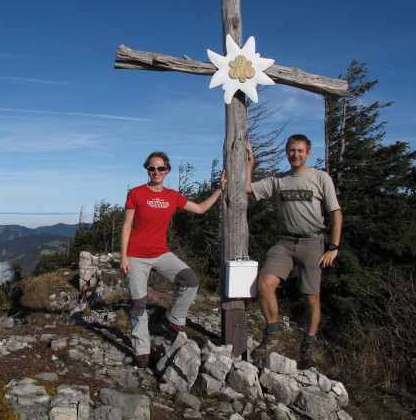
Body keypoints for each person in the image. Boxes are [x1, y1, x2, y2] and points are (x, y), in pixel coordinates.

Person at [120, 151, 227, 368]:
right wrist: (123, 257)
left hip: (161, 253)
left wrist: (219, 189)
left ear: (167, 171)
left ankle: (174, 319)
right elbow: (126, 225)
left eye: (160, 168)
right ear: (147, 170)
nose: (156, 172)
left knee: (190, 280)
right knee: (139, 304)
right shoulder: (136, 193)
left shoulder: (172, 196)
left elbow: (199, 209)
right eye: (152, 168)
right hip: (136, 256)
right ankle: (142, 351)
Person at [247, 134, 342, 370]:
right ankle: (273, 334)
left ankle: (308, 347)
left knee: (311, 297)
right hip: (284, 242)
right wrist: (251, 162)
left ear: (308, 153)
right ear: (286, 152)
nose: (295, 154)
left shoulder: (320, 177)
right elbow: (248, 188)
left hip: (313, 243)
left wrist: (333, 247)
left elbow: (336, 213)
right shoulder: (279, 180)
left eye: (300, 150)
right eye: (291, 150)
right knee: (264, 284)